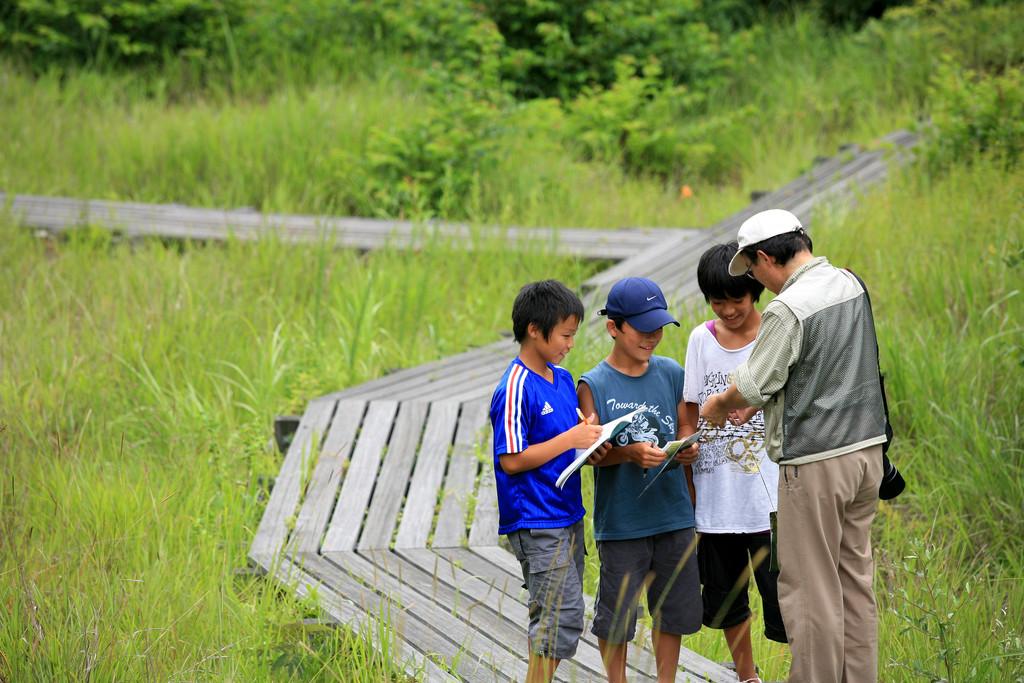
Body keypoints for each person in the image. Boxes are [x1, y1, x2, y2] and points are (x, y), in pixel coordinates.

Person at [700, 209, 887, 683]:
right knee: (854, 584)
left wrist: (719, 405)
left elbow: (752, 382)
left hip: (816, 465)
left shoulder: (788, 307)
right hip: (866, 455)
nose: (759, 281)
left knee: (808, 590)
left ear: (765, 258)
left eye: (753, 271)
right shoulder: (849, 283)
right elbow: (823, 371)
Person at [576, 276, 702, 683]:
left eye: (659, 327)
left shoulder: (670, 372)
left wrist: (684, 447)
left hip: (674, 516)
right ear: (614, 327)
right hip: (623, 523)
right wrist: (628, 453)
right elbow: (590, 455)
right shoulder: (594, 384)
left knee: (673, 610)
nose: (653, 336)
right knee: (617, 616)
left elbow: (685, 424)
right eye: (643, 328)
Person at [489, 279, 606, 683]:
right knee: (560, 616)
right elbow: (511, 460)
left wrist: (589, 436)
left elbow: (566, 438)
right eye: (566, 334)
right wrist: (569, 439)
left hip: (567, 514)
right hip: (536, 519)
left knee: (558, 618)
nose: (571, 343)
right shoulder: (515, 387)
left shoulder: (561, 377)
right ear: (535, 331)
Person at [680, 243, 787, 683]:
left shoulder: (775, 337)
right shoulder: (700, 340)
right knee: (727, 599)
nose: (727, 310)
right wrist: (686, 469)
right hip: (716, 501)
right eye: (717, 301)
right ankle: (747, 676)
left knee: (784, 595)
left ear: (755, 292)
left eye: (736, 300)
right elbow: (689, 411)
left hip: (772, 499)